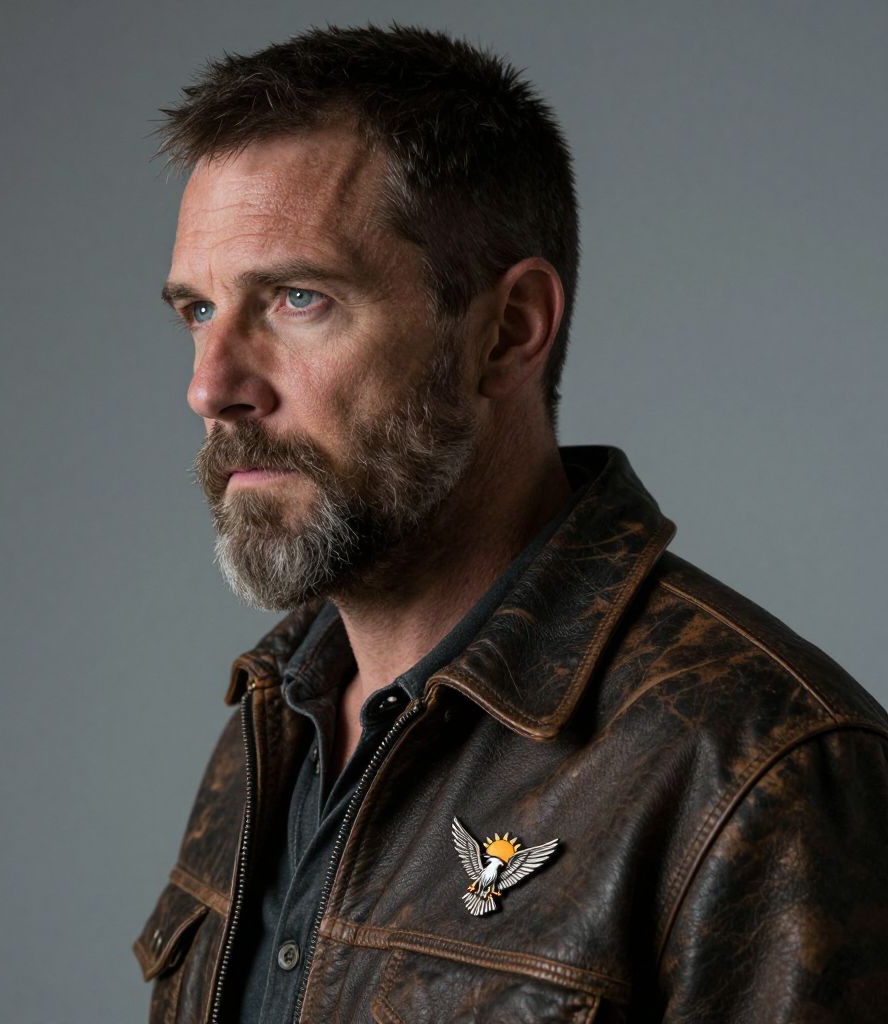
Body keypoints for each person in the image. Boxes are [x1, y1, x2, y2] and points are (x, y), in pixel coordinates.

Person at [132, 24, 888, 1023]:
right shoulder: (273, 725)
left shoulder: (755, 769)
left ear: (510, 329)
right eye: (197, 310)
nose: (211, 386)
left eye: (296, 298)